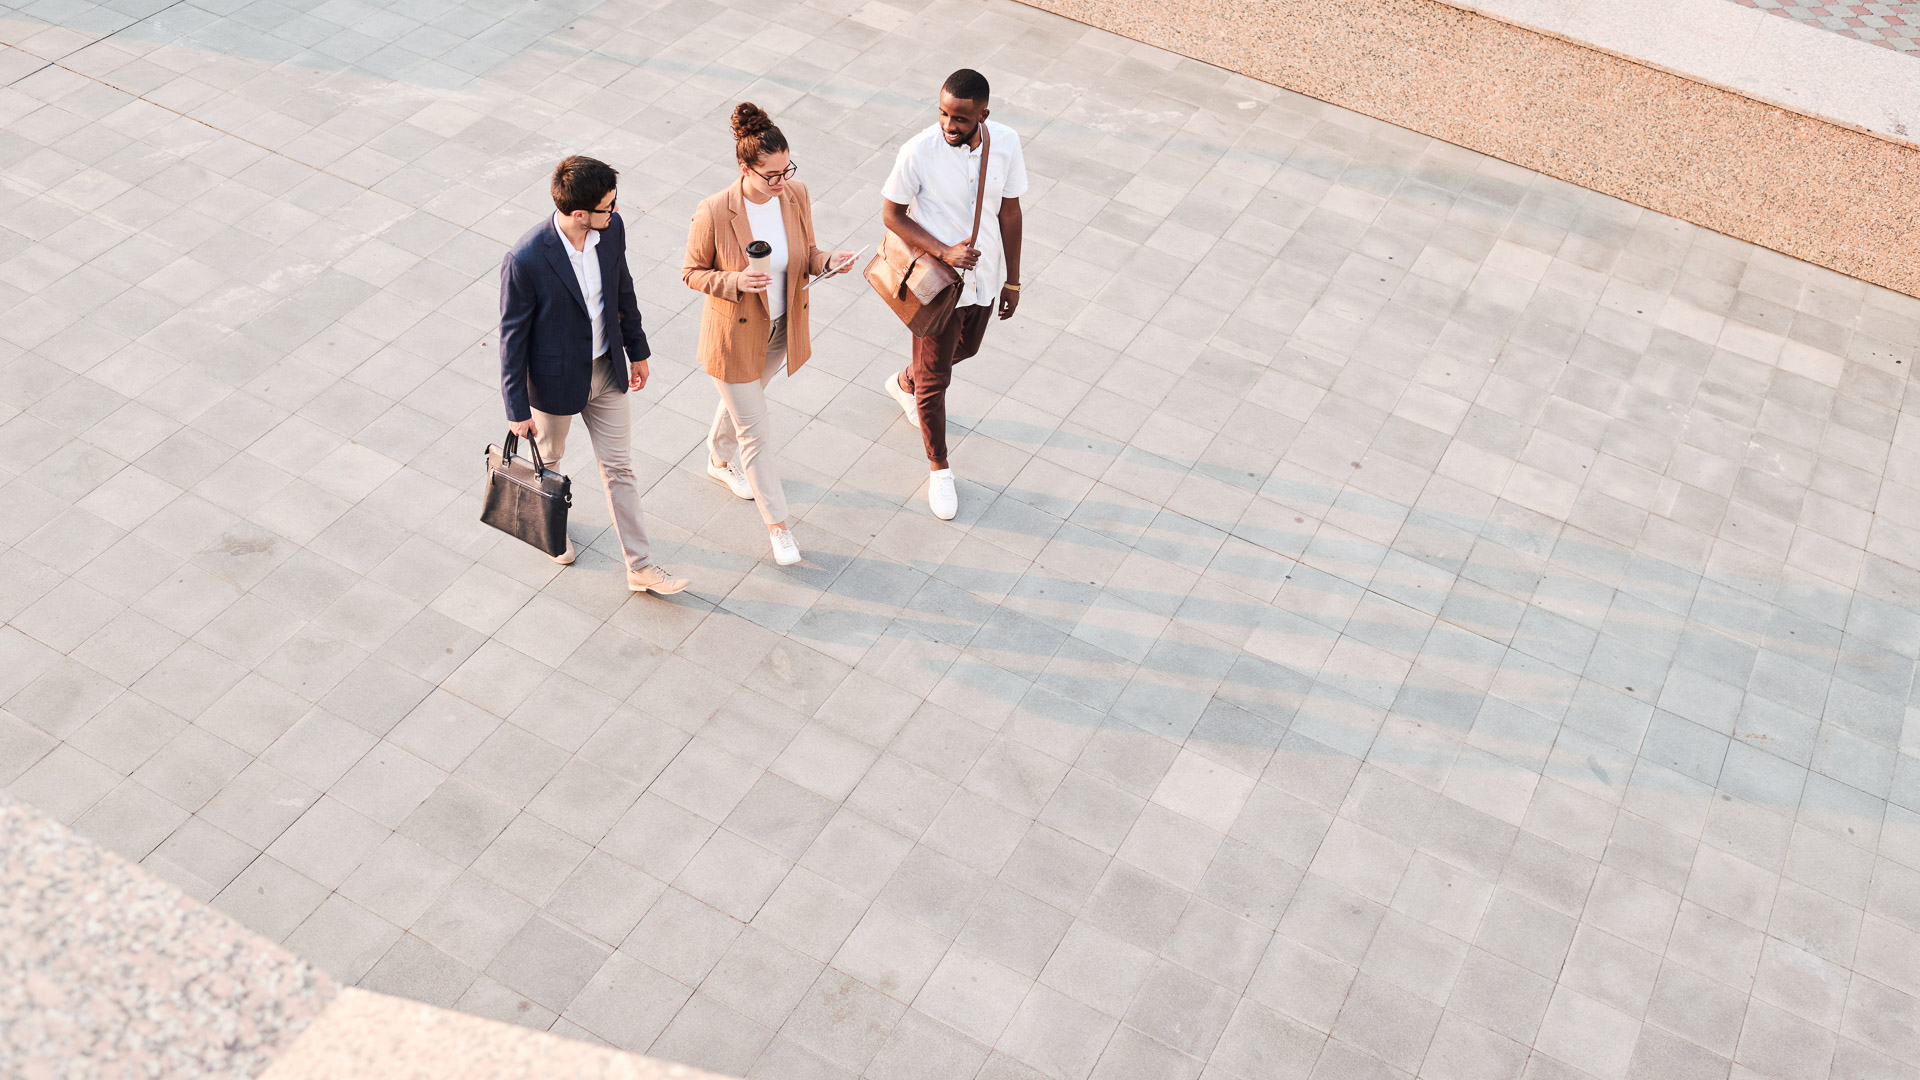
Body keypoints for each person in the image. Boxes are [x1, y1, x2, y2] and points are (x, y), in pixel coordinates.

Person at [499, 155, 690, 595]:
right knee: (550, 464)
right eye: (608, 206)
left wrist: (637, 350)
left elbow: (623, 288)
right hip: (553, 384)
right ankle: (550, 528)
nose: (616, 211)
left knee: (620, 468)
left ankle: (640, 567)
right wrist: (516, 408)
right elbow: (512, 339)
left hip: (607, 371)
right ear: (579, 213)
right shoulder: (525, 259)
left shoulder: (611, 230)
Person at [682, 103, 857, 565]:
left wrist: (826, 262)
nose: (781, 182)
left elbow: (808, 253)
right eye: (771, 175)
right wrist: (734, 281)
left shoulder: (795, 195)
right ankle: (778, 528)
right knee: (755, 434)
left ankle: (716, 461)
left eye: (786, 170)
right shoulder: (715, 211)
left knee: (746, 404)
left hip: (780, 330)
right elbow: (691, 273)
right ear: (745, 169)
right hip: (734, 336)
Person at [878, 68, 1027, 520]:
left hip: (984, 279)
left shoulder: (1006, 142)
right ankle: (939, 469)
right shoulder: (918, 151)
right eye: (943, 113)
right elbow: (891, 214)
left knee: (967, 349)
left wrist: (1013, 280)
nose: (948, 125)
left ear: (983, 114)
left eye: (960, 118)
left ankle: (906, 381)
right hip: (935, 286)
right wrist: (943, 250)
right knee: (936, 383)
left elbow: (1011, 211)